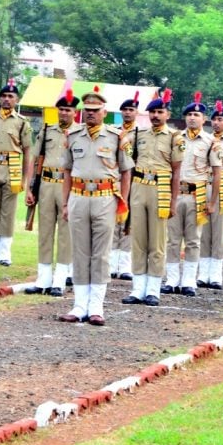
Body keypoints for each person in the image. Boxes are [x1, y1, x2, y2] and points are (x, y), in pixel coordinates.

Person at [59, 87, 133, 325]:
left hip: (105, 197)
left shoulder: (116, 137)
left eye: (95, 110)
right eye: (87, 110)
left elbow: (126, 171)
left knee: (101, 254)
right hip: (78, 196)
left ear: (104, 112)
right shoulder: (73, 136)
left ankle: (96, 307)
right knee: (80, 252)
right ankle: (79, 305)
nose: (90, 114)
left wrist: (123, 198)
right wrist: (65, 203)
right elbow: (67, 171)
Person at [122, 89, 183, 306]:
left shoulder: (175, 137)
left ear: (167, 113)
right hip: (139, 187)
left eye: (160, 112)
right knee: (138, 240)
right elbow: (125, 157)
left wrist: (174, 201)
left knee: (157, 242)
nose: (155, 116)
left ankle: (153, 290)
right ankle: (138, 289)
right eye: (152, 112)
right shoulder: (139, 135)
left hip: (161, 189)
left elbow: (176, 172)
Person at [162, 93, 221, 297]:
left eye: (196, 114)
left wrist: (213, 202)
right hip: (176, 195)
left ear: (204, 119)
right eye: (189, 115)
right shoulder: (175, 138)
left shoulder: (211, 141)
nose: (192, 118)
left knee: (194, 240)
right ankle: (171, 279)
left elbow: (217, 172)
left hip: (198, 196)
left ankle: (188, 281)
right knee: (172, 239)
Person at [25, 88, 78, 296]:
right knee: (45, 232)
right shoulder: (47, 130)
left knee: (66, 234)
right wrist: (31, 187)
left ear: (75, 112)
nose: (64, 113)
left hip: (68, 185)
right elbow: (35, 159)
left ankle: (60, 279)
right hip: (46, 184)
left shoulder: (78, 133)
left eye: (68, 110)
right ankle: (43, 279)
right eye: (61, 109)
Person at [0, 78, 33, 266]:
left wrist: (24, 178)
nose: (6, 99)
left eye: (10, 96)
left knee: (8, 213)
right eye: (3, 96)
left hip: (12, 168)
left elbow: (28, 151)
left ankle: (4, 253)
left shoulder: (22, 122)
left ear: (16, 100)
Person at [198, 100, 223, 289]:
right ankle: (203, 274)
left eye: (221, 119)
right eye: (214, 119)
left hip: (222, 190)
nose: (216, 123)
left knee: (219, 234)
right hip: (204, 187)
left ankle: (215, 275)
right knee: (204, 233)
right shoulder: (205, 139)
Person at [108, 93, 140, 280]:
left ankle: (125, 265)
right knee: (113, 221)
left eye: (131, 110)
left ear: (136, 112)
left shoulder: (140, 134)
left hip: (134, 180)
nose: (128, 113)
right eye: (125, 110)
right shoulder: (114, 132)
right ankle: (112, 263)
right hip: (115, 179)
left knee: (129, 222)